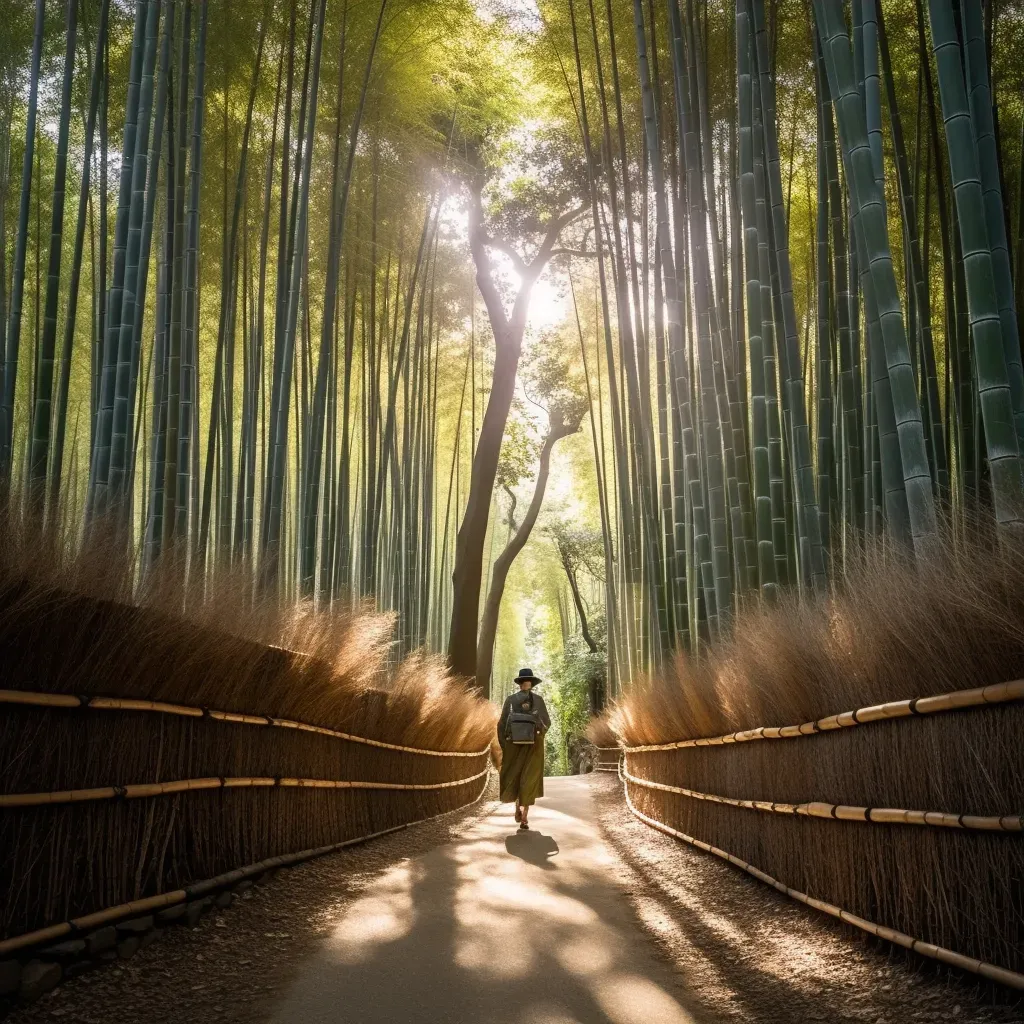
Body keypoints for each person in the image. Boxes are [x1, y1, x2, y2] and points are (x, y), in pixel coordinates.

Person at [497, 667, 550, 830]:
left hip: (526, 746)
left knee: (528, 777)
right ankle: (518, 807)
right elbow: (546, 723)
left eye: (528, 681)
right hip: (524, 745)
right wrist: (505, 745)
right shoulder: (516, 700)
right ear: (522, 683)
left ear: (530, 683)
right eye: (525, 681)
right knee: (518, 776)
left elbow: (502, 724)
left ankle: (524, 814)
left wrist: (505, 743)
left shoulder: (519, 700)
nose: (526, 683)